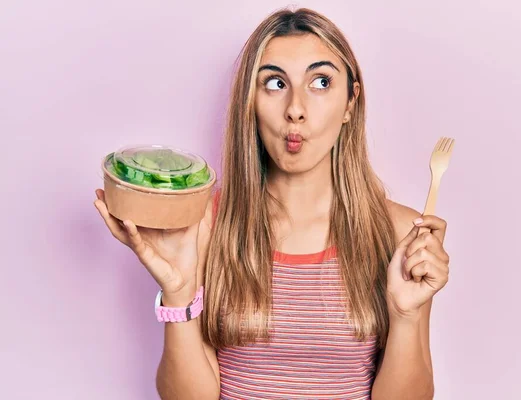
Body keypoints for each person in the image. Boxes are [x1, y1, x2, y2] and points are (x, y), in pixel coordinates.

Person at [94, 7, 450, 400]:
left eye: (320, 82)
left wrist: (404, 316)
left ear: (350, 102)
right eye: (276, 84)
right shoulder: (206, 225)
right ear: (251, 102)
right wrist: (178, 292)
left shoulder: (402, 233)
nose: (295, 109)